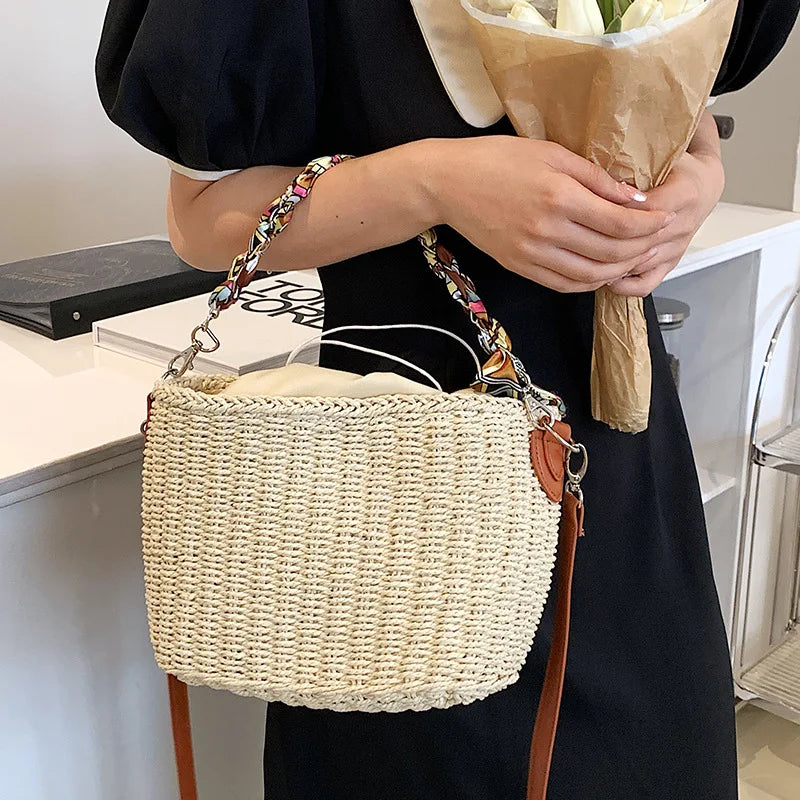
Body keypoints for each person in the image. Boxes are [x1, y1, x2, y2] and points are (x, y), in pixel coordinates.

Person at [96, 2, 800, 797]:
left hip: (618, 464)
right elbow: (201, 218)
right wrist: (433, 183)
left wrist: (695, 185)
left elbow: (687, 116)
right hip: (405, 494)